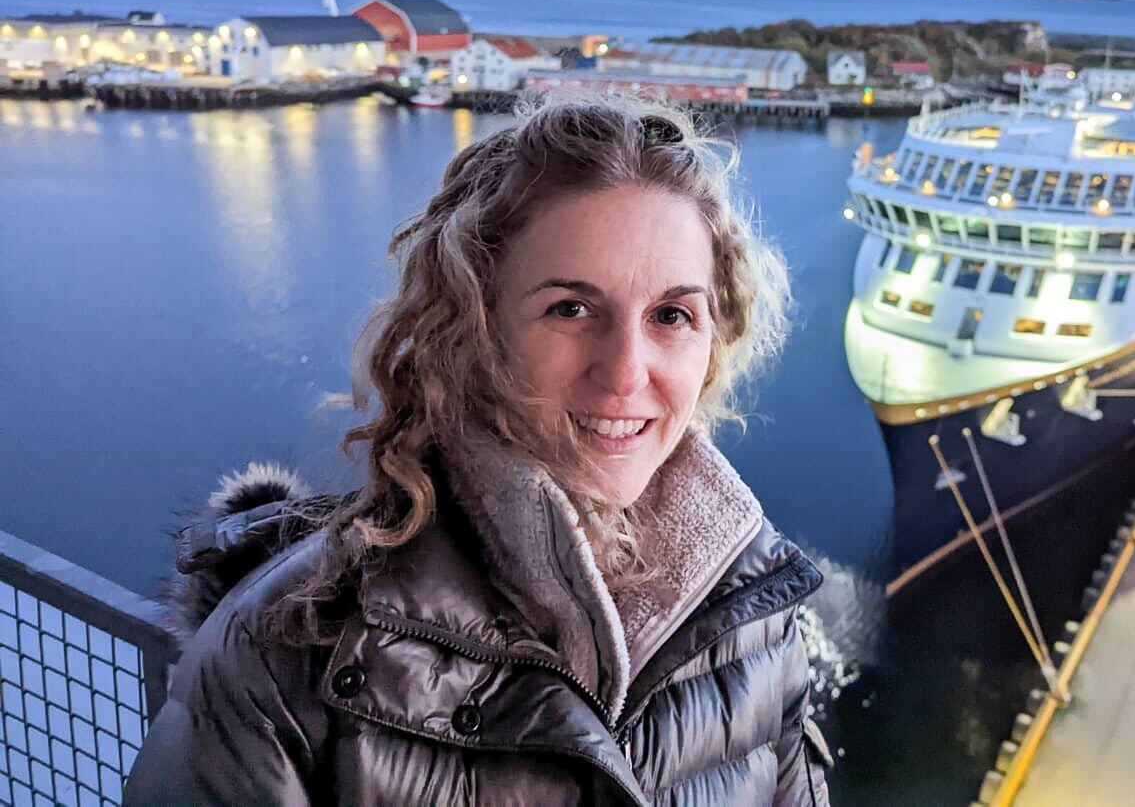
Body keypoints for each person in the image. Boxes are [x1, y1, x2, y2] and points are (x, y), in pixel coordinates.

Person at [126, 92, 832, 805]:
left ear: (714, 342)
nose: (625, 372)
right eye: (570, 308)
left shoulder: (755, 617)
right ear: (473, 329)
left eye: (672, 315)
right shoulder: (287, 650)